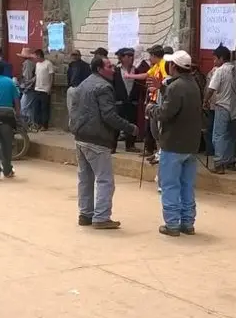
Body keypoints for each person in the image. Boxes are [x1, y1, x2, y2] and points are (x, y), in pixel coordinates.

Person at [70, 56, 137, 229]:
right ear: (100, 69)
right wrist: (130, 128)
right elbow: (108, 115)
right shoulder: (104, 87)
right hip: (97, 138)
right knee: (105, 179)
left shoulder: (83, 84)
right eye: (109, 66)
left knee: (85, 177)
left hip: (81, 136)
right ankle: (101, 217)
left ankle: (85, 214)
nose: (113, 69)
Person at [151, 50, 204, 236]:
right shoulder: (193, 85)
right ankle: (188, 222)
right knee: (187, 185)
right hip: (190, 144)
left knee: (170, 185)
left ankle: (172, 224)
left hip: (173, 144)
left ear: (174, 66)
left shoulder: (176, 87)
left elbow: (165, 113)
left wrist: (152, 109)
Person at [205, 45, 236, 173]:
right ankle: (230, 161)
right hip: (235, 108)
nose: (214, 62)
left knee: (218, 135)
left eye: (215, 59)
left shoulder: (220, 71)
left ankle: (219, 163)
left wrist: (205, 100)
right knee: (230, 135)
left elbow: (211, 89)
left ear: (222, 58)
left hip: (222, 106)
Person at [112, 48, 143, 153]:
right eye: (128, 56)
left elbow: (140, 86)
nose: (131, 58)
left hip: (132, 102)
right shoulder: (115, 71)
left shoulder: (137, 71)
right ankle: (112, 145)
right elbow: (112, 86)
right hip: (119, 102)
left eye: (132, 56)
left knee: (132, 123)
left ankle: (130, 145)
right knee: (116, 124)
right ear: (122, 58)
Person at [143, 45, 169, 160]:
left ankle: (161, 153)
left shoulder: (163, 65)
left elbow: (165, 82)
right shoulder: (157, 66)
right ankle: (159, 152)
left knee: (159, 129)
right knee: (154, 129)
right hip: (155, 100)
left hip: (161, 102)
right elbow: (147, 75)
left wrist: (158, 88)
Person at [32, 49, 54, 130]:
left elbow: (51, 76)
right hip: (37, 88)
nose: (35, 58)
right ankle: (37, 123)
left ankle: (44, 125)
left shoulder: (48, 63)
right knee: (36, 107)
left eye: (35, 56)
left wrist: (50, 88)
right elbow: (36, 76)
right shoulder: (37, 64)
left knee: (44, 108)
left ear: (39, 56)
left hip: (45, 89)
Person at [17, 47, 36, 128]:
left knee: (23, 106)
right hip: (31, 87)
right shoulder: (31, 63)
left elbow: (27, 78)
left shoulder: (27, 63)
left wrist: (24, 87)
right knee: (29, 107)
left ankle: (25, 124)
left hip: (28, 88)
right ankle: (30, 123)